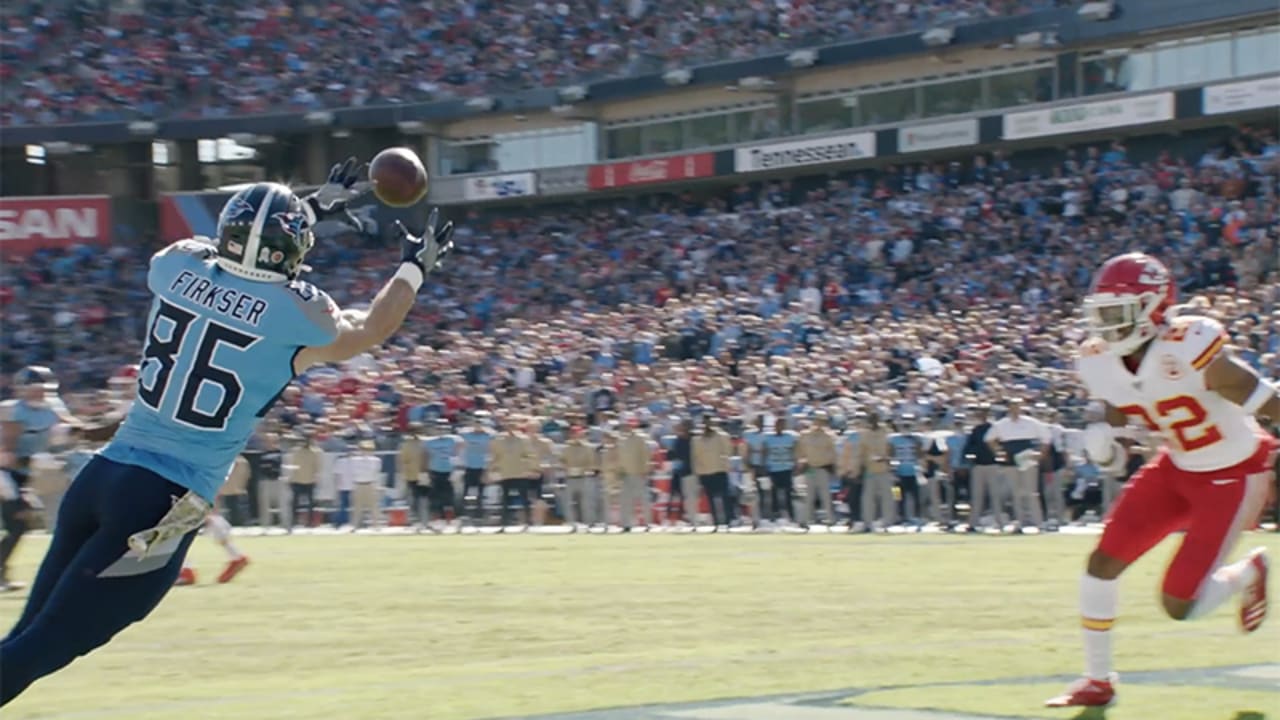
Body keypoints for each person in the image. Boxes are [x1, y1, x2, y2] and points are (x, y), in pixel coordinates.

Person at [0, 162, 455, 706]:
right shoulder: (301, 314)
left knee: (24, 642)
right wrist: (414, 268)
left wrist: (311, 206)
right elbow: (373, 328)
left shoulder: (175, 268)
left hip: (103, 475)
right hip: (160, 499)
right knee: (45, 646)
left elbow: (231, 258)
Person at [1046, 253, 1275, 708]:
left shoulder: (1188, 344)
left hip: (1232, 473)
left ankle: (1250, 571)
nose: (1107, 325)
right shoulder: (1100, 361)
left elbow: (1261, 398)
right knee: (1102, 563)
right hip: (1176, 467)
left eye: (1118, 313)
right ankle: (1097, 680)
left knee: (1179, 604)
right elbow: (1121, 405)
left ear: (1153, 309)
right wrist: (1110, 440)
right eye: (1102, 313)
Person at [0, 368, 121, 591]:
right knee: (19, 520)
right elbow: (7, 454)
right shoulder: (12, 411)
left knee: (20, 524)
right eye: (35, 390)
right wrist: (35, 460)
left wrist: (101, 424)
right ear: (22, 389)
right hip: (5, 471)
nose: (40, 395)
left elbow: (77, 429)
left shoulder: (52, 407)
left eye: (44, 390)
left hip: (22, 473)